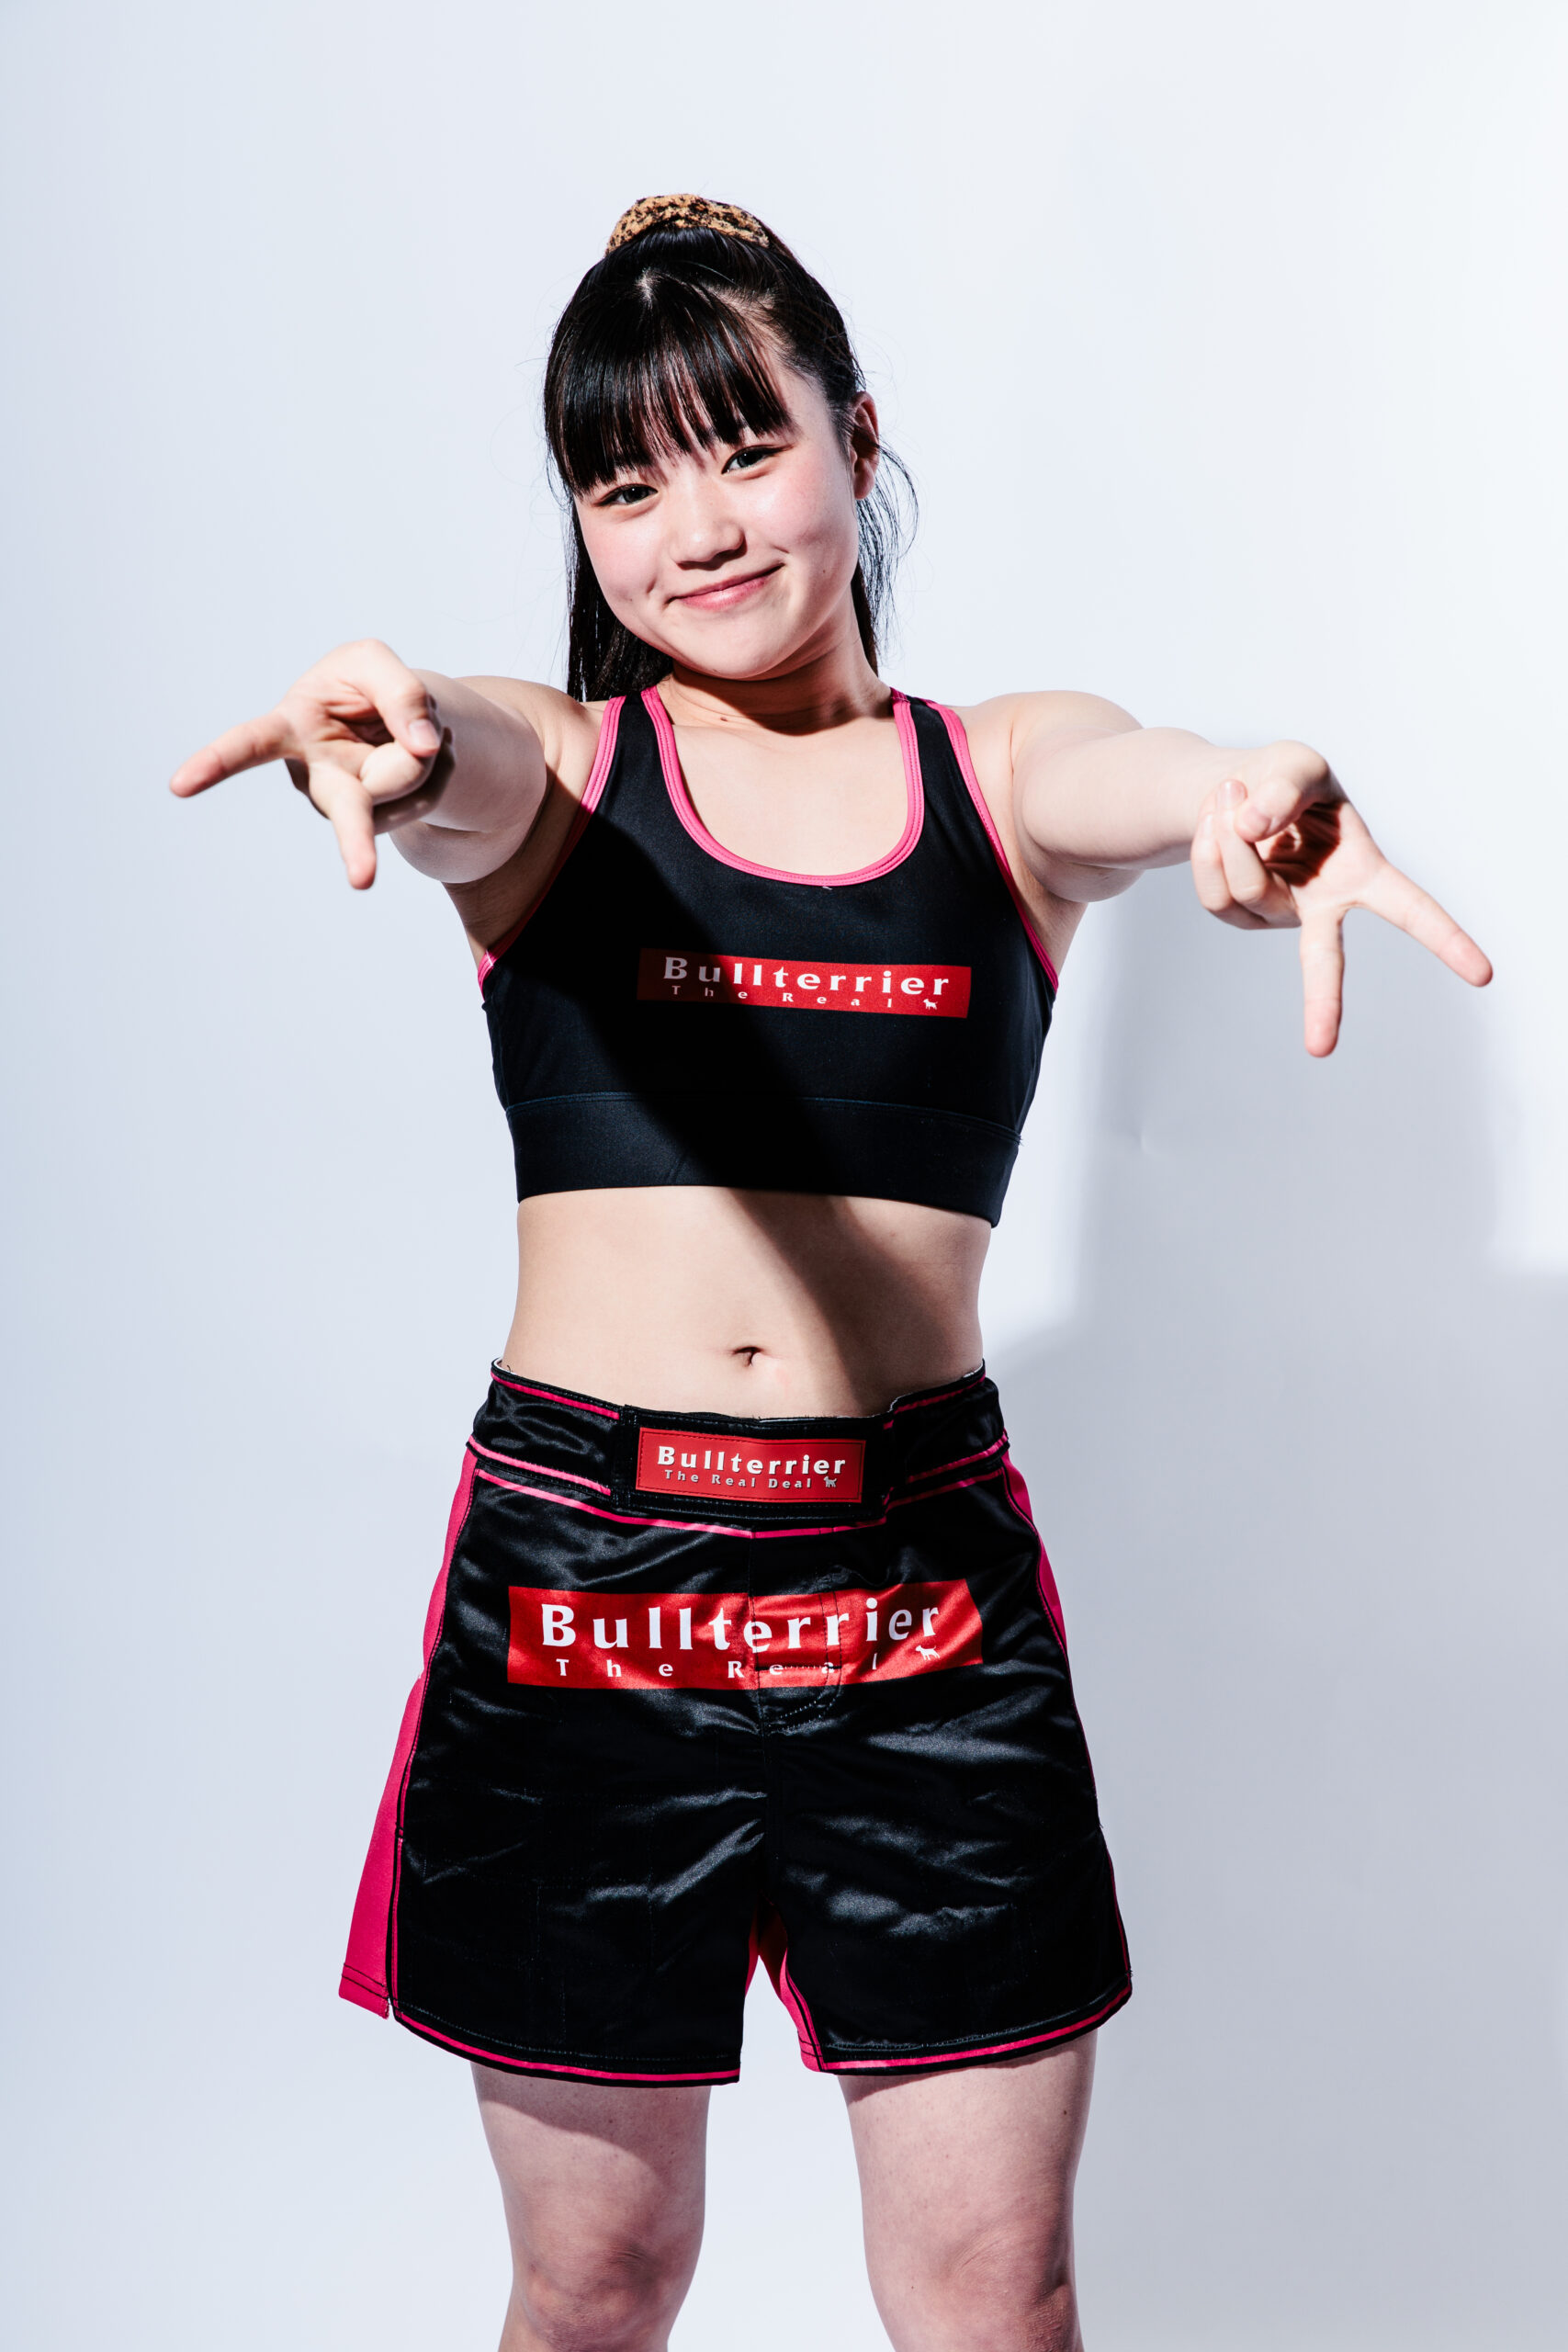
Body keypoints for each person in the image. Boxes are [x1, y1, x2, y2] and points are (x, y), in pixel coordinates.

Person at [171, 195, 1491, 2352]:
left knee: (992, 2290)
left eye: (740, 446)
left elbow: (1136, 781)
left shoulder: (998, 772)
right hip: (590, 1593)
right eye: (622, 482)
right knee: (594, 2277)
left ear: (855, 440)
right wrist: (393, 739)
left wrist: (1239, 795)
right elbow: (458, 756)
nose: (691, 526)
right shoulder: (564, 777)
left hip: (916, 1597)